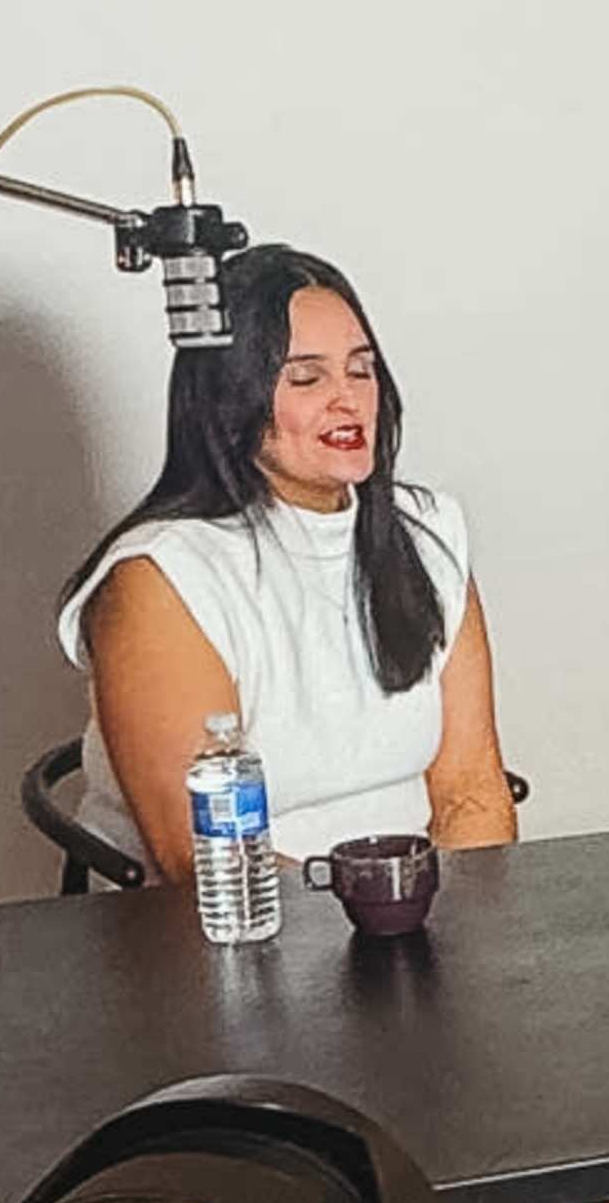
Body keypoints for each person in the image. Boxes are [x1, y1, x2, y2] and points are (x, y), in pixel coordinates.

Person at [58, 242, 519, 882]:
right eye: (306, 378)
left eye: (361, 370)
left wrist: (448, 924)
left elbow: (472, 791)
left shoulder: (429, 533)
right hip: (209, 926)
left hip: (402, 913)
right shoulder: (161, 578)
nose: (347, 399)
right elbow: (204, 858)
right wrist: (372, 916)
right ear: (232, 399)